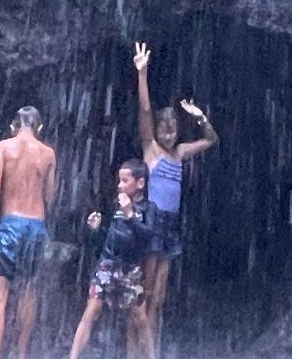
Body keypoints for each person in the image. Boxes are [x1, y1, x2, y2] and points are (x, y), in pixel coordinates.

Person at [132, 41, 219, 357]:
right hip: (152, 220)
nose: (168, 135)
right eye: (163, 130)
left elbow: (211, 139)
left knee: (159, 297)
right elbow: (144, 111)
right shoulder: (151, 149)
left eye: (171, 130)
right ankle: (143, 352)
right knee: (144, 291)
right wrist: (142, 74)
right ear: (156, 131)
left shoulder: (180, 153)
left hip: (170, 225)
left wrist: (199, 116)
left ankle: (150, 347)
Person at [0, 105, 57, 359]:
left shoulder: (4, 147)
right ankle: (22, 354)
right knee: (29, 290)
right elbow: (50, 196)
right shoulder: (49, 153)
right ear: (39, 129)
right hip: (36, 228)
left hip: (10, 224)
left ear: (13, 127)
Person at [67, 159, 153, 359]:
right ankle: (72, 356)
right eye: (119, 181)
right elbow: (105, 238)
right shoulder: (115, 206)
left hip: (130, 269)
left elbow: (147, 236)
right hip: (107, 264)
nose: (119, 185)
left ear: (140, 184)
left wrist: (130, 214)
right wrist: (95, 230)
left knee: (140, 317)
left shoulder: (149, 209)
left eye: (125, 181)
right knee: (92, 310)